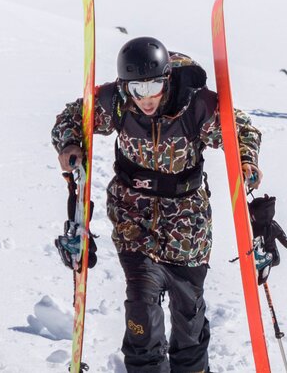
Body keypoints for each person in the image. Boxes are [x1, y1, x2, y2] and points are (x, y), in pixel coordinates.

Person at [51, 36, 263, 373]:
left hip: (187, 221)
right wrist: (70, 144)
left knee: (188, 312)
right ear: (125, 86)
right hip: (133, 217)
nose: (146, 98)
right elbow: (71, 117)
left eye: (153, 87)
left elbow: (242, 131)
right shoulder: (116, 102)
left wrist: (246, 161)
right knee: (141, 306)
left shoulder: (196, 104)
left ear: (167, 79)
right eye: (137, 89)